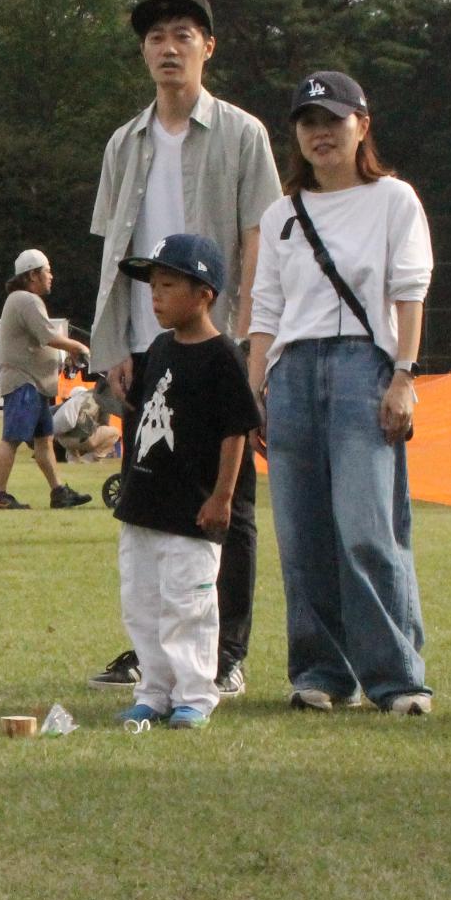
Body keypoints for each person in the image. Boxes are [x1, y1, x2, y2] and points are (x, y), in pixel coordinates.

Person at [86, 0, 280, 700]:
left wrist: (250, 340)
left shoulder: (241, 133)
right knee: (150, 501)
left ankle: (225, 652)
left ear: (207, 47)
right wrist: (114, 344)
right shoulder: (124, 141)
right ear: (144, 53)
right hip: (145, 346)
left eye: (183, 35)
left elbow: (259, 239)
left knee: (227, 501)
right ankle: (156, 652)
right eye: (156, 38)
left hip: (218, 343)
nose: (169, 48)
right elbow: (113, 250)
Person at [247, 70, 434, 716]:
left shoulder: (394, 200)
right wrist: (255, 391)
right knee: (301, 535)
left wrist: (404, 375)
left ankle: (398, 677)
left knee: (367, 527)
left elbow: (409, 290)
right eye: (307, 122)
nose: (321, 134)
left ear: (363, 124)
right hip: (290, 373)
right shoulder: (279, 214)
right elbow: (264, 310)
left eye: (333, 119)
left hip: (365, 368)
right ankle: (321, 671)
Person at [110, 234, 258, 730]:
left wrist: (222, 496)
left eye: (168, 284)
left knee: (188, 604)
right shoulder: (158, 348)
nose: (155, 296)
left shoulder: (223, 356)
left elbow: (236, 430)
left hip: (193, 510)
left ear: (204, 293)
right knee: (143, 603)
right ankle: (153, 690)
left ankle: (195, 692)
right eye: (152, 286)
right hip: (145, 503)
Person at [0, 249, 92, 509]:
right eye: (47, 270)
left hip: (34, 384)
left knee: (44, 440)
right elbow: (48, 337)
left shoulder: (20, 299)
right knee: (11, 438)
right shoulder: (26, 300)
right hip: (26, 383)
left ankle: (58, 492)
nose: (51, 276)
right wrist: (79, 347)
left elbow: (41, 340)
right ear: (32, 274)